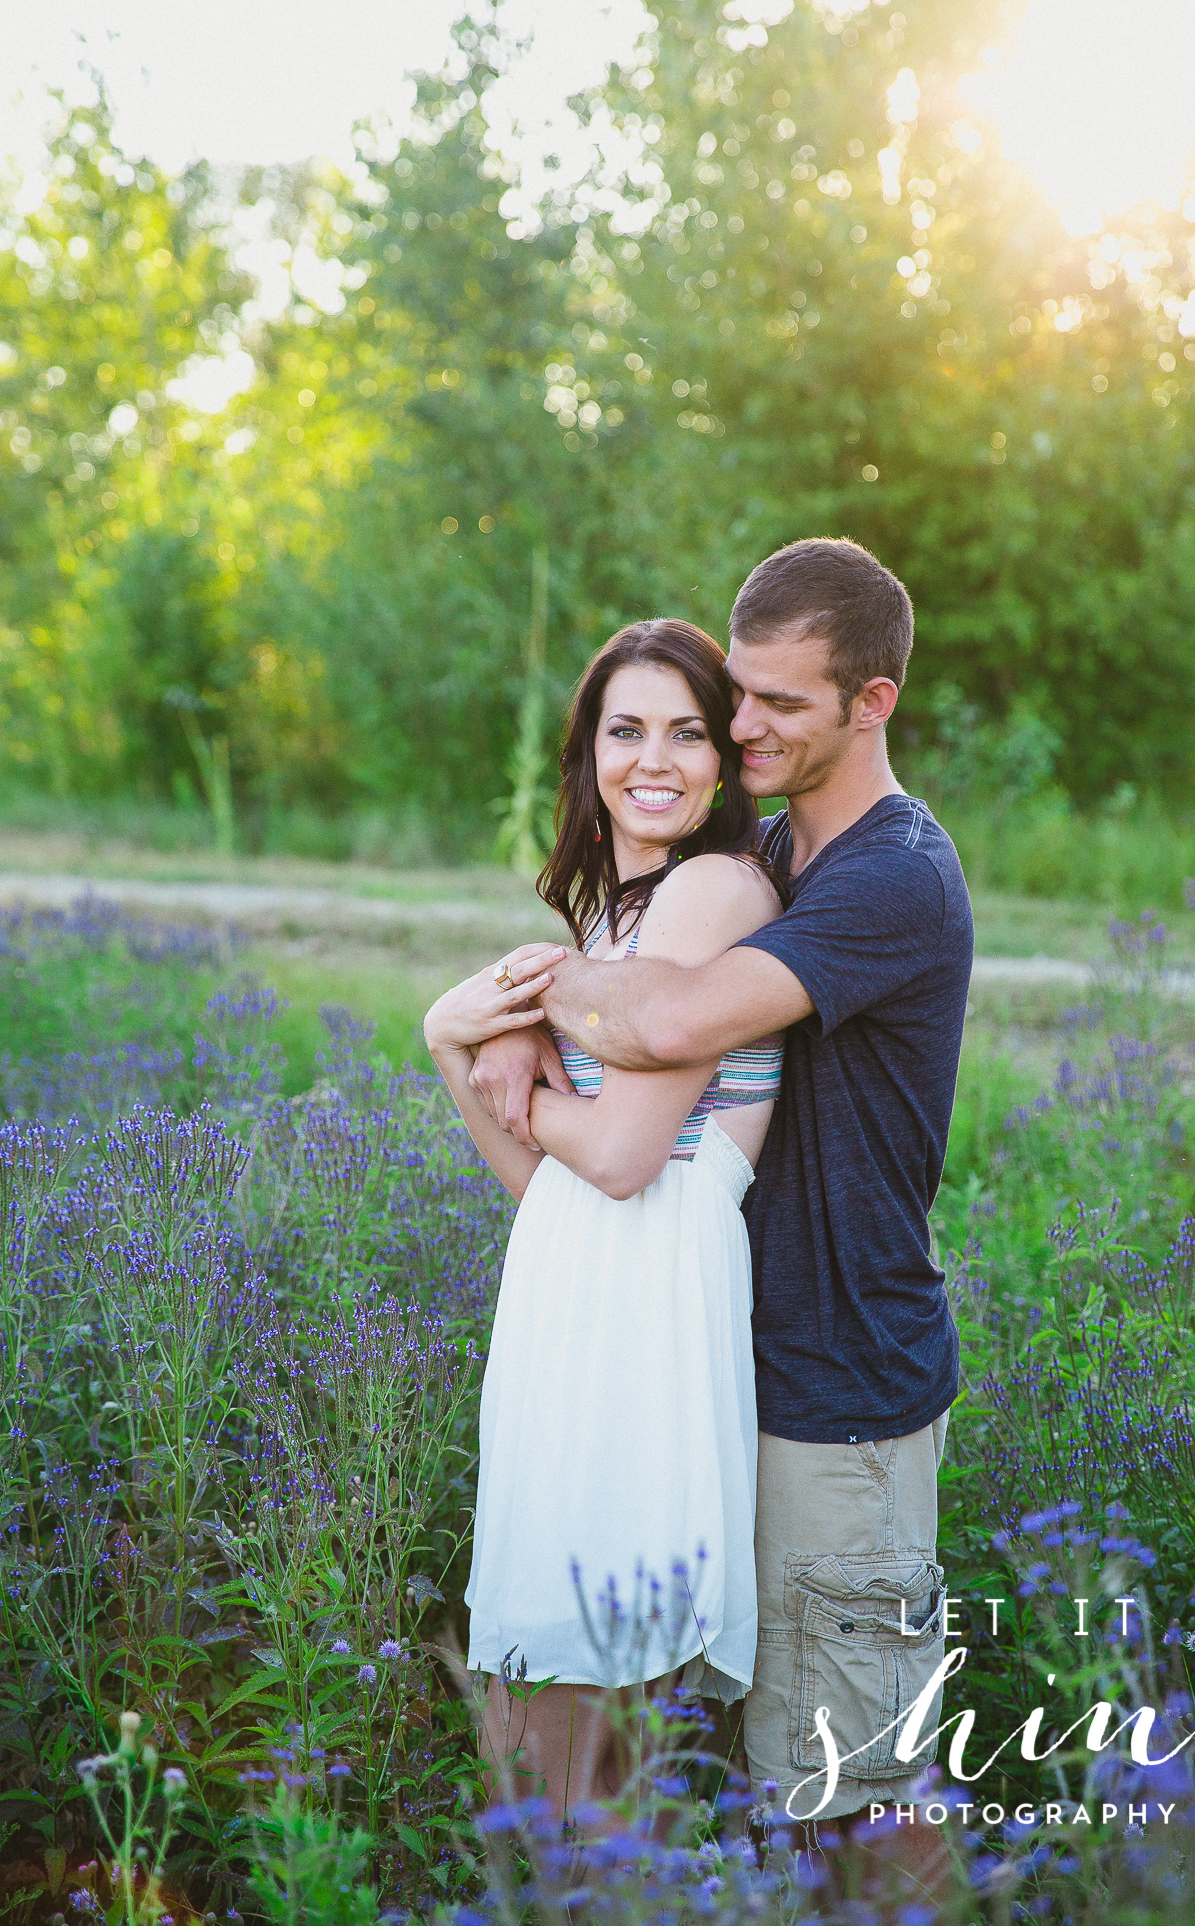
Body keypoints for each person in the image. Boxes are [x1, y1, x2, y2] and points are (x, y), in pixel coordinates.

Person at [472, 538, 973, 1890]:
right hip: (730, 1364)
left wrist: (509, 999)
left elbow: (673, 1018)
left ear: (870, 702)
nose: (742, 727)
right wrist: (524, 1027)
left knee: (849, 1791)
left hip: (840, 1392)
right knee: (731, 1765)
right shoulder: (764, 850)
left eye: (776, 704)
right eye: (733, 697)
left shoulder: (890, 876)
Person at [422, 618, 786, 1821]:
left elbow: (626, 1156)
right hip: (577, 1289)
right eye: (626, 729)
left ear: (724, 760)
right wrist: (452, 1043)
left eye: (688, 731)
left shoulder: (711, 888)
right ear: (587, 753)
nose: (656, 758)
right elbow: (547, 1192)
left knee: (602, 1679)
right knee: (542, 1683)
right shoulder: (608, 924)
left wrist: (508, 1053)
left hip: (651, 1303)